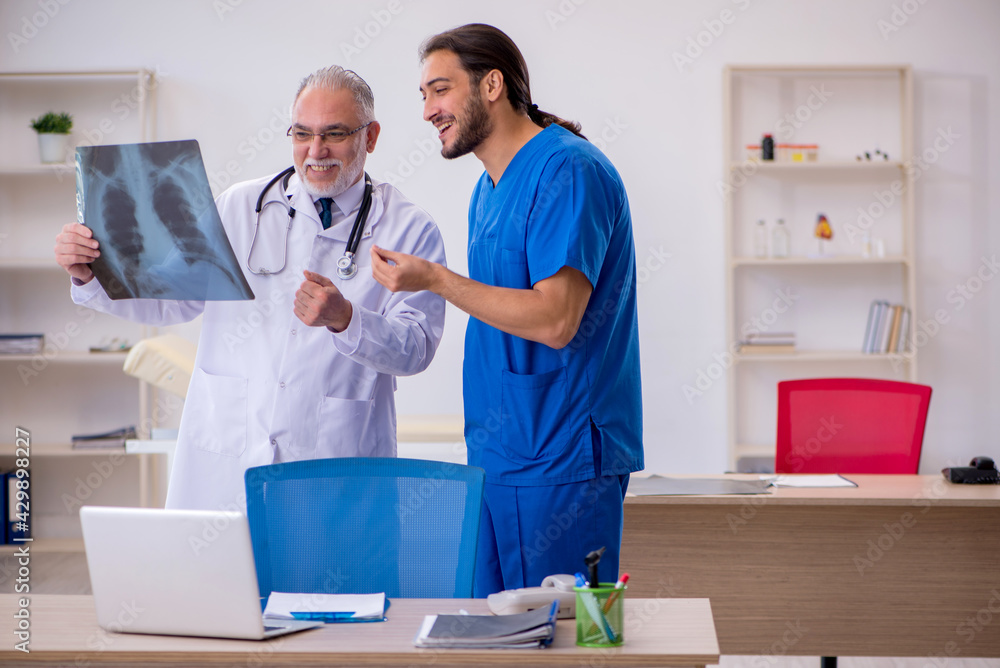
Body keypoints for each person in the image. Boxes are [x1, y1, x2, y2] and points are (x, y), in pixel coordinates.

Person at [55, 65, 447, 511]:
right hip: (229, 458)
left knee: (326, 578)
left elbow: (416, 348)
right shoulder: (240, 206)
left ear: (370, 137)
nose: (315, 150)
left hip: (337, 464)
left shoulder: (408, 228)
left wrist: (347, 319)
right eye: (302, 134)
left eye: (334, 134)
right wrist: (89, 275)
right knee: (220, 577)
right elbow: (172, 300)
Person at [370, 24, 643, 596]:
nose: (427, 111)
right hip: (500, 452)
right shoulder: (488, 188)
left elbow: (554, 319)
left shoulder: (569, 170)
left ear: (491, 84)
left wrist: (437, 280)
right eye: (422, 95)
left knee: (561, 640)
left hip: (561, 456)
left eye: (439, 90)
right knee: (492, 638)